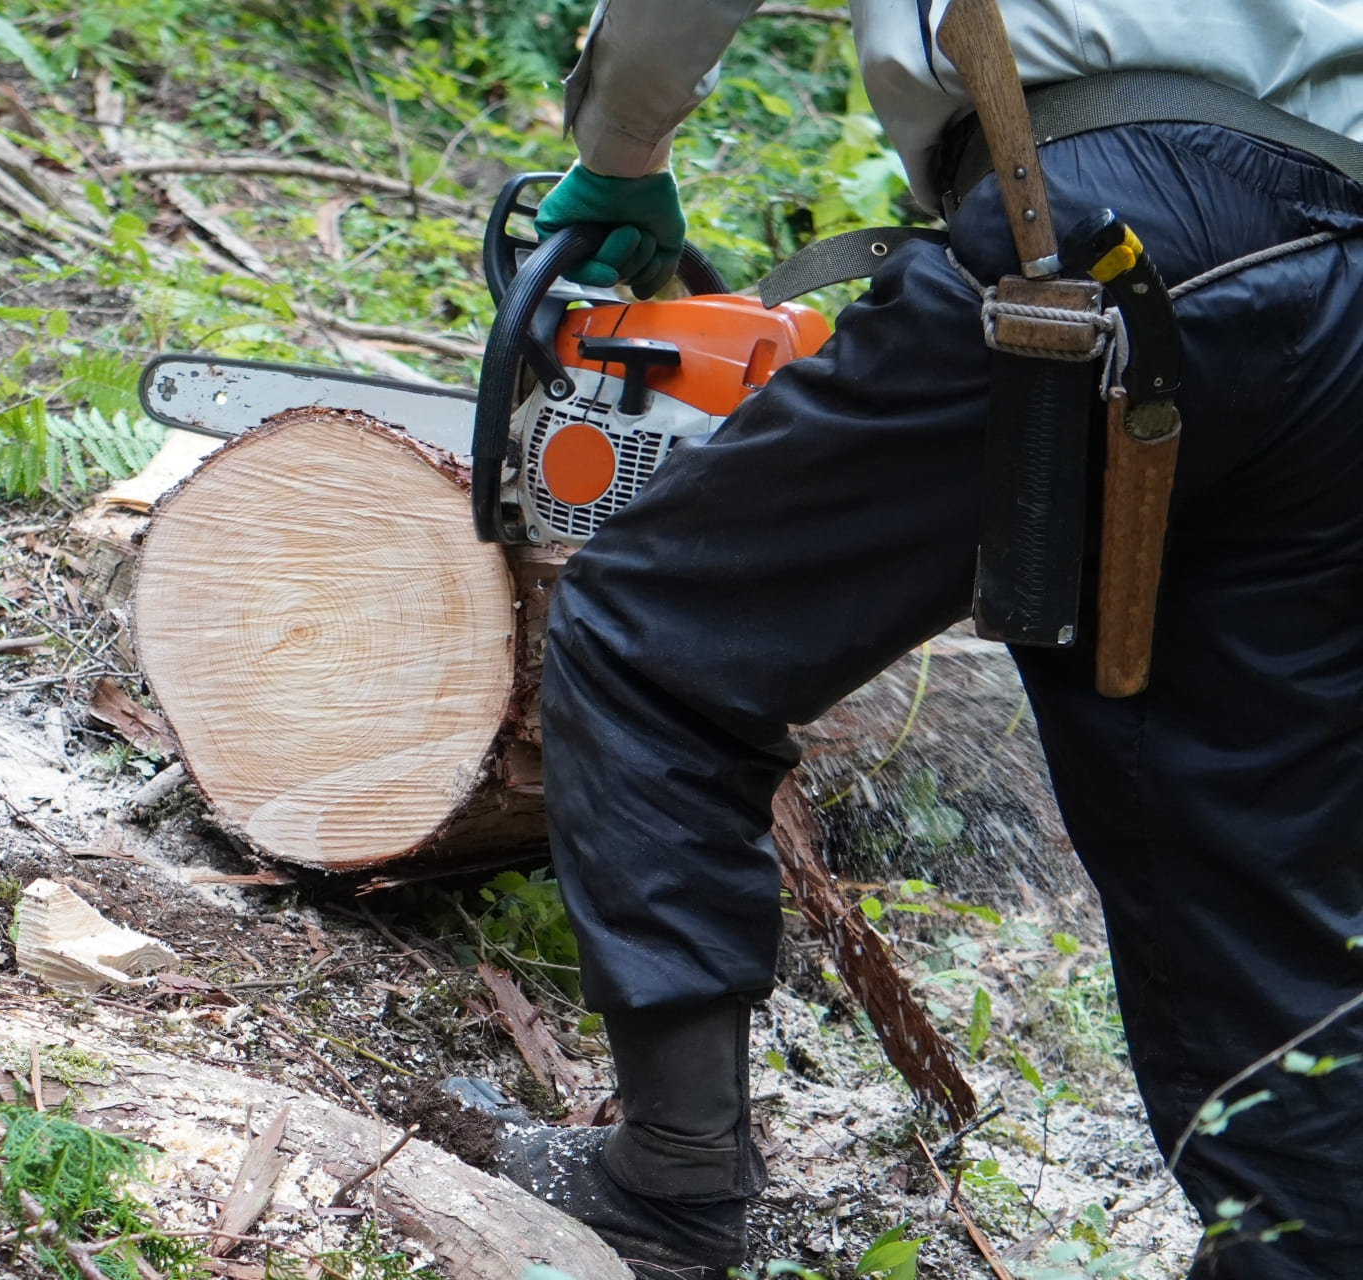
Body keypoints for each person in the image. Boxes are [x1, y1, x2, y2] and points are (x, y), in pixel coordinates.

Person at [486, 2, 1363, 1277]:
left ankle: (669, 1182)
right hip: (1340, 280)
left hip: (1109, 232)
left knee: (647, 638)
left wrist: (622, 149)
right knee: (1244, 845)